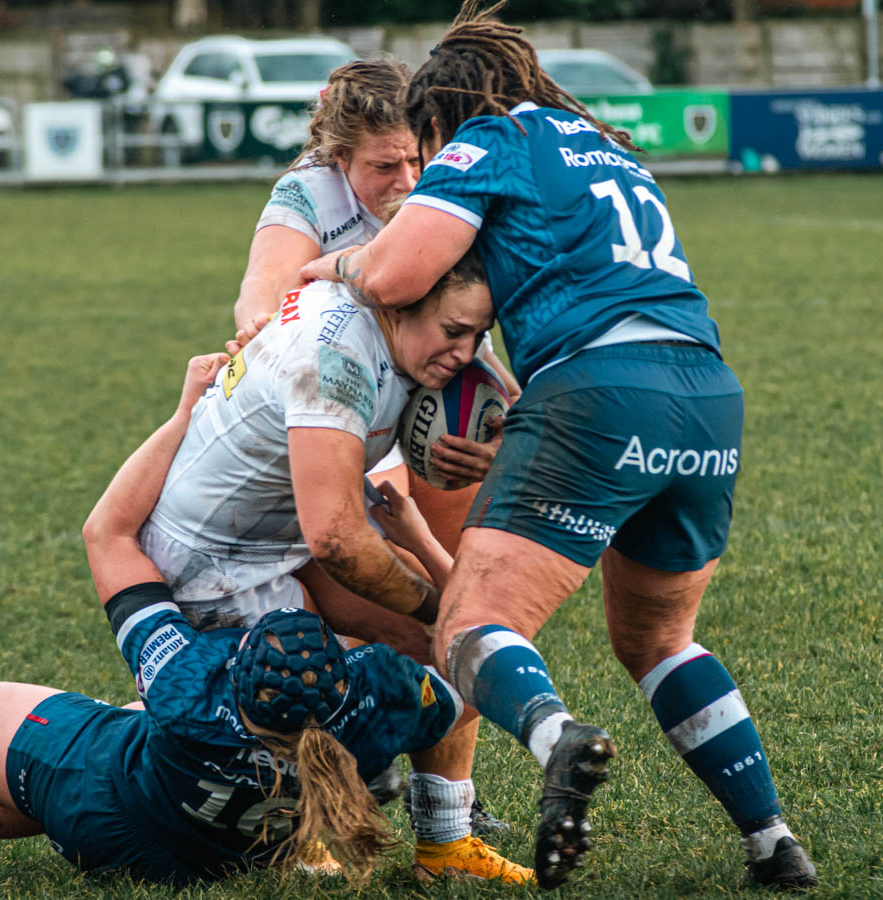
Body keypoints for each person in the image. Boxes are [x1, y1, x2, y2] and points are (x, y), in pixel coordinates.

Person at [299, 1, 818, 890]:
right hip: (705, 397)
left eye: (427, 140)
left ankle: (556, 739)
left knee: (467, 624)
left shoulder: (489, 136)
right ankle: (769, 836)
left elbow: (393, 273)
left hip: (600, 391)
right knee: (660, 641)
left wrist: (333, 265)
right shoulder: (606, 147)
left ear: (444, 112)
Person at [0, 355, 474, 893]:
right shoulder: (377, 712)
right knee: (120, 725)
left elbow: (108, 534)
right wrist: (415, 531)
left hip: (110, 819)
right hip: (233, 852)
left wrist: (183, 414)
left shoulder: (189, 686)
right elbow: (471, 644)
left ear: (237, 668)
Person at [124, 251, 531, 883]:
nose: (467, 352)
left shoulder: (406, 312)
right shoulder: (335, 361)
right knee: (292, 710)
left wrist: (502, 438)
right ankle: (130, 735)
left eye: (479, 334)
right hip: (217, 565)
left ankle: (444, 844)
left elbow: (519, 407)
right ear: (399, 302)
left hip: (283, 539)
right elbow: (339, 540)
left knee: (466, 650)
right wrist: (440, 605)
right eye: (455, 332)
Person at [232, 55, 516, 844]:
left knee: (460, 596)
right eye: (383, 166)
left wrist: (501, 420)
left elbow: (478, 312)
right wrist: (261, 324)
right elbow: (265, 287)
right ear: (337, 157)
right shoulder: (307, 193)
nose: (405, 180)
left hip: (433, 399)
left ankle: (448, 798)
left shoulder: (446, 178)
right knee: (376, 600)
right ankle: (358, 764)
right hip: (341, 413)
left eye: (415, 159)